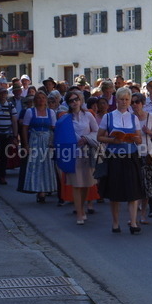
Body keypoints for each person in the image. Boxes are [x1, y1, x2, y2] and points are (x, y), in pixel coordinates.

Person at [96, 87, 145, 233]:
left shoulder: (133, 117)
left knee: (133, 190)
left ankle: (134, 222)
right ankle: (116, 222)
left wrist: (134, 138)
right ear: (116, 100)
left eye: (127, 99)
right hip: (114, 157)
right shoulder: (108, 117)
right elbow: (99, 137)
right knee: (115, 191)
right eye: (122, 99)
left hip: (130, 156)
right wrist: (112, 139)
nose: (124, 102)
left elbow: (140, 140)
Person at [61, 90, 99, 224]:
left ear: (80, 100)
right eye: (71, 100)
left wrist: (86, 138)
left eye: (76, 99)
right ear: (68, 103)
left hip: (87, 153)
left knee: (86, 184)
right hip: (73, 154)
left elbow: (96, 131)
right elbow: (63, 134)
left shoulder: (88, 115)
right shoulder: (66, 118)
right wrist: (75, 139)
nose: (74, 102)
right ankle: (79, 212)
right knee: (76, 184)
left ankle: (82, 207)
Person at [20, 89, 57, 203]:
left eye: (43, 98)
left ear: (46, 100)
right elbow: (25, 128)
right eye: (38, 98)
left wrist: (54, 143)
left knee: (47, 166)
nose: (41, 100)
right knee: (35, 166)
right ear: (34, 100)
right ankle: (37, 189)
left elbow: (54, 128)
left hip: (47, 141)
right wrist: (25, 144)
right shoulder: (30, 112)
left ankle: (44, 190)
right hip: (35, 140)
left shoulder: (51, 113)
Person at [131, 93, 152, 226]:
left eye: (137, 102)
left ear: (143, 103)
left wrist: (149, 132)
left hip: (147, 154)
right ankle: (133, 216)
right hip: (132, 154)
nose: (134, 104)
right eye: (132, 102)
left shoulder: (150, 117)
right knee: (135, 186)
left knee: (147, 186)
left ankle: (143, 215)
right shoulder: (129, 118)